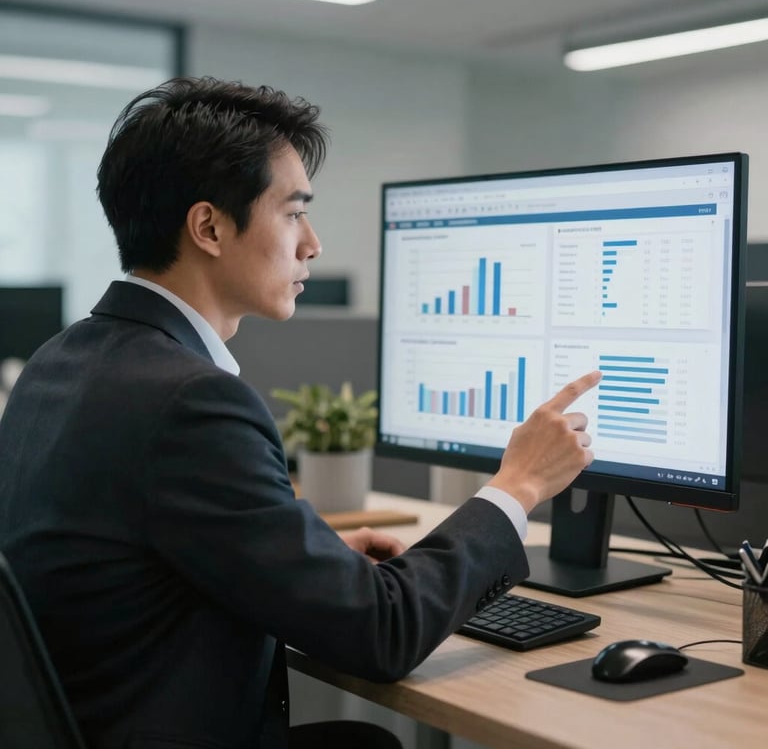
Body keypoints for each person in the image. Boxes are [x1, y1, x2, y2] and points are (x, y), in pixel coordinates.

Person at [0, 76, 600, 749]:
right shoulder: (192, 403)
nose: (312, 243)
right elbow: (382, 634)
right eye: (292, 212)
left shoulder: (58, 362)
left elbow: (121, 557)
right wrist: (518, 485)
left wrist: (296, 559)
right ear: (209, 227)